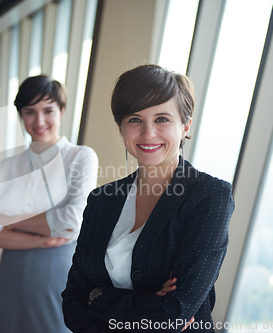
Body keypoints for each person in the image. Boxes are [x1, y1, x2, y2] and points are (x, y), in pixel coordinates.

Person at [62, 64, 235, 332]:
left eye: (162, 119)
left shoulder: (209, 197)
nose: (147, 133)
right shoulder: (101, 199)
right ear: (121, 128)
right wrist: (149, 304)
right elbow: (72, 306)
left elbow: (175, 314)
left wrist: (98, 297)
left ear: (185, 125)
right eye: (134, 119)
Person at [0, 75, 99, 333]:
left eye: (48, 111)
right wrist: (40, 238)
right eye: (29, 112)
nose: (39, 121)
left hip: (58, 274)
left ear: (62, 111)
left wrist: (8, 222)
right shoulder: (7, 167)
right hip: (9, 274)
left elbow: (70, 223)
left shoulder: (80, 157)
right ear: (21, 115)